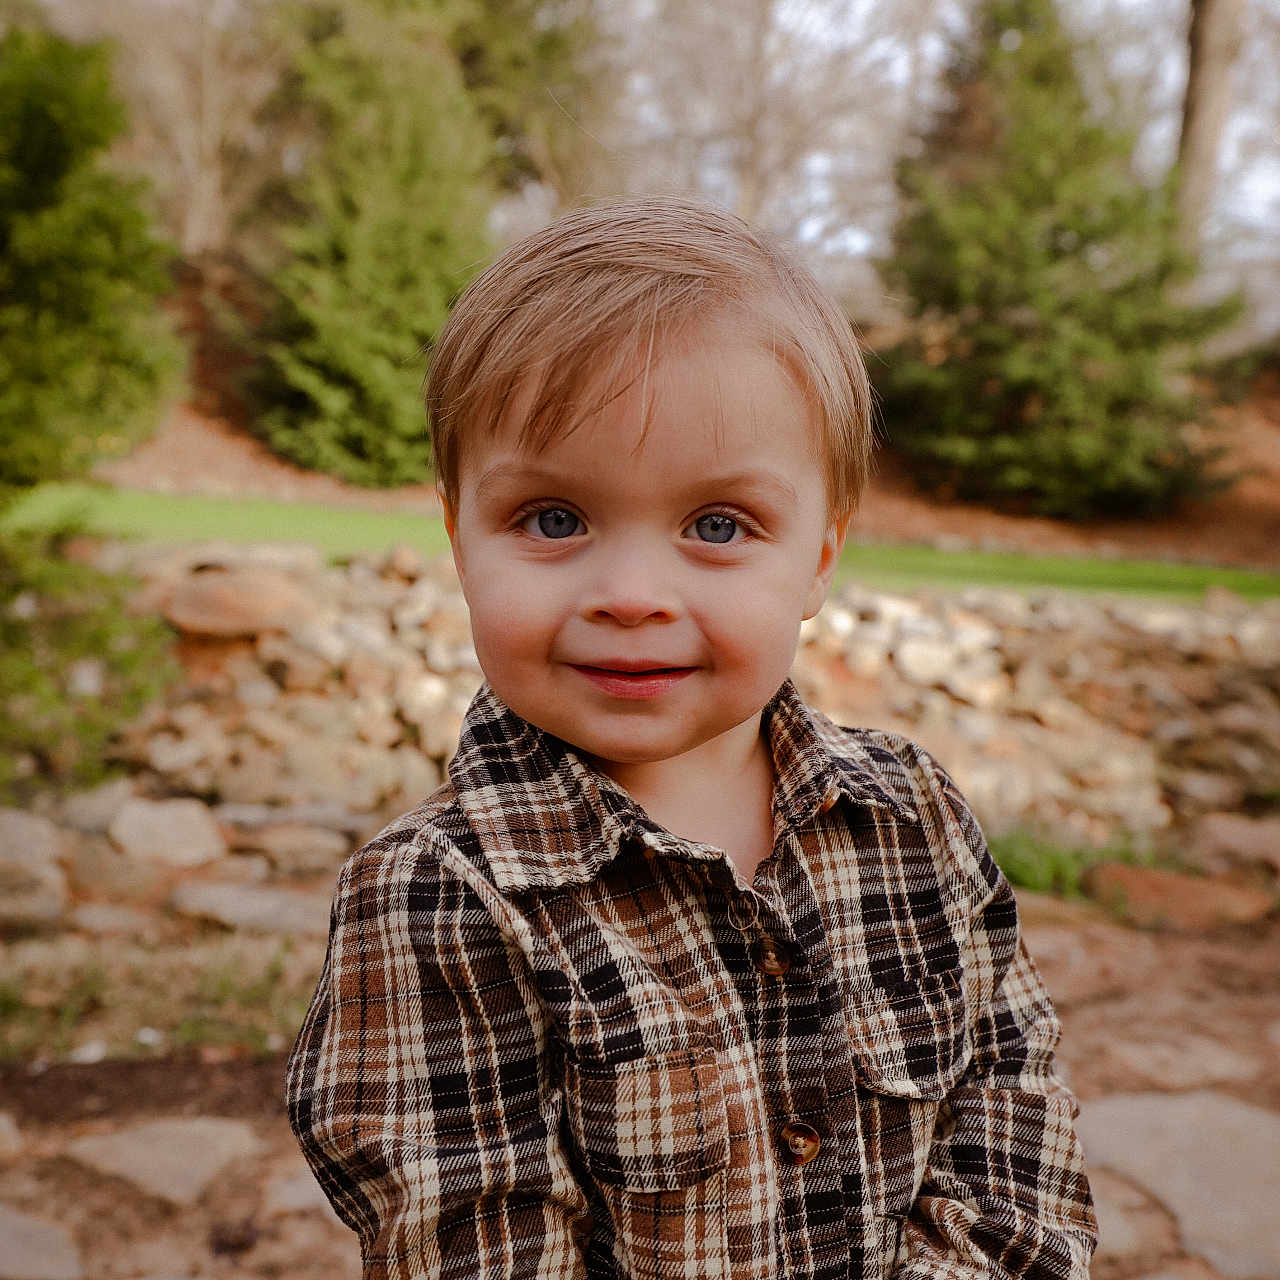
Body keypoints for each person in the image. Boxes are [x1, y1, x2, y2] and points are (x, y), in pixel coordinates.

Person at [286, 196, 1097, 1280]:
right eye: (552, 518)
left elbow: (1012, 1095)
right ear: (458, 537)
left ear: (817, 557)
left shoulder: (910, 814)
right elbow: (475, 1245)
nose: (628, 594)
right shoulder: (435, 896)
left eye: (717, 526)